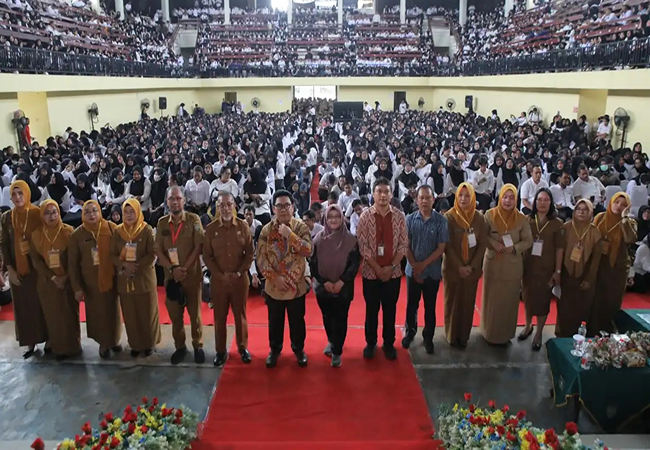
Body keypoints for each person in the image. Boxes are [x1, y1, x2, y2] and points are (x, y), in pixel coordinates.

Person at [257, 189, 312, 368]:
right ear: (273, 209)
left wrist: (291, 235)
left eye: (286, 205)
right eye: (279, 206)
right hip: (274, 286)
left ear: (293, 206)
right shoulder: (266, 230)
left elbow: (307, 251)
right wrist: (274, 278)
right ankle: (275, 349)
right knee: (275, 320)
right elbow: (261, 258)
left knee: (297, 320)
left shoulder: (300, 227)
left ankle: (298, 349)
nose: (283, 209)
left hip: (296, 286)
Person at [356, 177, 408, 360]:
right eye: (379, 191)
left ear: (392, 194)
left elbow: (403, 245)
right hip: (371, 274)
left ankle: (388, 343)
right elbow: (363, 246)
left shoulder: (399, 216)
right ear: (373, 194)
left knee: (390, 309)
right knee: (371, 310)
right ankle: (371, 343)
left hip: (393, 274)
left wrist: (391, 267)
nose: (383, 195)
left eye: (386, 191)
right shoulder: (365, 216)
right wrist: (378, 269)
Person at [203, 191, 254, 367]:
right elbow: (207, 257)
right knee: (219, 317)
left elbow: (250, 254)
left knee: (240, 315)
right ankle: (220, 351)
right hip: (219, 282)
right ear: (217, 207)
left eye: (228, 204)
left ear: (234, 206)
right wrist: (219, 274)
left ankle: (242, 348)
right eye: (221, 205)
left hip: (240, 280)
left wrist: (239, 273)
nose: (225, 208)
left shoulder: (242, 226)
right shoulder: (210, 229)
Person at [155, 186, 205, 365]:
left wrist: (184, 268)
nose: (175, 202)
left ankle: (198, 345)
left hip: (191, 276)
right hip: (171, 278)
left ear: (184, 200)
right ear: (167, 201)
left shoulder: (194, 219)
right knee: (175, 316)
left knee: (195, 315)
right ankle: (180, 346)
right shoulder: (161, 223)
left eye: (178, 198)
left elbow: (198, 246)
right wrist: (172, 269)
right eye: (171, 199)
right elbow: (158, 250)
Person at [68, 200, 122, 359]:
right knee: (97, 314)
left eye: (94, 211)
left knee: (113, 312)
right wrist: (77, 287)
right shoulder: (77, 235)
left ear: (100, 212)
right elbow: (73, 264)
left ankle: (114, 340)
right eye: (87, 212)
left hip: (111, 279)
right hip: (90, 283)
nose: (91, 215)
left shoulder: (111, 228)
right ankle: (103, 343)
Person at [0, 180, 48, 358]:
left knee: (43, 305)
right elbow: (4, 244)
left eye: (21, 193)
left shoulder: (37, 214)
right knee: (24, 308)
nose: (18, 197)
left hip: (38, 268)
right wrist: (9, 269)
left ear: (27, 194)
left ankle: (49, 339)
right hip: (18, 270)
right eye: (14, 194)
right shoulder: (6, 217)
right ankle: (30, 342)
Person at [481, 184, 533, 345]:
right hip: (493, 264)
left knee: (509, 303)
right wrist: (492, 243)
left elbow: (528, 240)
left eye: (511, 198)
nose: (508, 201)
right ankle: (488, 333)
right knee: (492, 302)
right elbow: (482, 235)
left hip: (512, 267)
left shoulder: (521, 218)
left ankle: (505, 335)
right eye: (505, 197)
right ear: (500, 197)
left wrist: (515, 248)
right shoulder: (490, 215)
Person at [309, 204, 360, 367]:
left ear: (342, 218)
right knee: (327, 316)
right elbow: (313, 263)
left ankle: (337, 351)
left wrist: (340, 281)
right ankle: (332, 341)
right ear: (325, 219)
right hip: (323, 287)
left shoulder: (351, 240)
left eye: (337, 217)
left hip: (343, 287)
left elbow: (354, 264)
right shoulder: (318, 239)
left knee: (341, 317)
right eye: (330, 217)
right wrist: (325, 282)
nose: (333, 220)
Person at [29, 200, 81, 360]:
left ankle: (73, 347)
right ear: (42, 216)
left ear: (59, 213)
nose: (51, 216)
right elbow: (36, 261)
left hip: (67, 282)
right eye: (47, 213)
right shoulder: (36, 235)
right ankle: (58, 348)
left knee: (69, 314)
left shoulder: (68, 232)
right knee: (53, 316)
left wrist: (65, 277)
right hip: (48, 283)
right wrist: (53, 277)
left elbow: (74, 259)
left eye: (54, 212)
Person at [110, 198, 161, 357]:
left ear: (138, 211)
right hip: (125, 279)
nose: (129, 215)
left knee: (148, 313)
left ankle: (149, 344)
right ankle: (136, 344)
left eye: (132, 211)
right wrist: (124, 266)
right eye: (126, 212)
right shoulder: (118, 232)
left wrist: (136, 266)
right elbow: (112, 254)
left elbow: (152, 253)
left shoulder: (146, 230)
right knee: (130, 314)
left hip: (144, 278)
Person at [402, 185, 448, 354]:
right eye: (421, 198)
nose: (424, 201)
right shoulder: (409, 219)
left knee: (430, 306)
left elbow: (441, 248)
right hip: (412, 271)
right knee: (411, 305)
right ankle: (410, 332)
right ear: (416, 200)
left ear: (433, 199)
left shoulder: (441, 221)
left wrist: (423, 265)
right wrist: (415, 266)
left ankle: (428, 337)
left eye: (428, 198)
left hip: (432, 272)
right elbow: (405, 245)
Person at [443, 183, 488, 348]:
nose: (463, 199)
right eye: (460, 195)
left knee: (468, 303)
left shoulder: (479, 218)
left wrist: (472, 266)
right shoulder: (449, 217)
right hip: (453, 269)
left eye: (467, 196)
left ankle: (463, 336)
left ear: (472, 198)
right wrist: (459, 267)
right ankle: (451, 335)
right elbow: (446, 246)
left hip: (472, 271)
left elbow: (482, 244)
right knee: (452, 302)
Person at [520, 188, 564, 351]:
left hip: (546, 268)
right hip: (528, 266)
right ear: (534, 202)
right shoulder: (527, 220)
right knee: (528, 297)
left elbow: (560, 249)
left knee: (543, 300)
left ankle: (538, 333)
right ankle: (527, 325)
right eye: (539, 199)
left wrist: (557, 271)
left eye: (546, 200)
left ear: (551, 202)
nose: (542, 203)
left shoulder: (557, 224)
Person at [590, 192, 637, 335]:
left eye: (623, 204)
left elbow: (630, 239)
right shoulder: (600, 218)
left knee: (612, 302)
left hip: (617, 268)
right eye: (616, 202)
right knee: (596, 300)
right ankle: (592, 330)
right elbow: (590, 237)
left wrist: (624, 218)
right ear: (611, 202)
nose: (619, 206)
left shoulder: (630, 222)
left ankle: (608, 331)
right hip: (599, 265)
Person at [556, 199, 602, 338]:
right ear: (574, 211)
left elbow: (596, 259)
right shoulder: (566, 228)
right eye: (578, 209)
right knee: (564, 308)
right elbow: (559, 251)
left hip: (585, 277)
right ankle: (562, 336)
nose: (581, 212)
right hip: (566, 274)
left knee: (582, 308)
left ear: (590, 212)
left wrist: (589, 278)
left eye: (585, 209)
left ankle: (579, 337)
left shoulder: (595, 232)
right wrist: (558, 272)